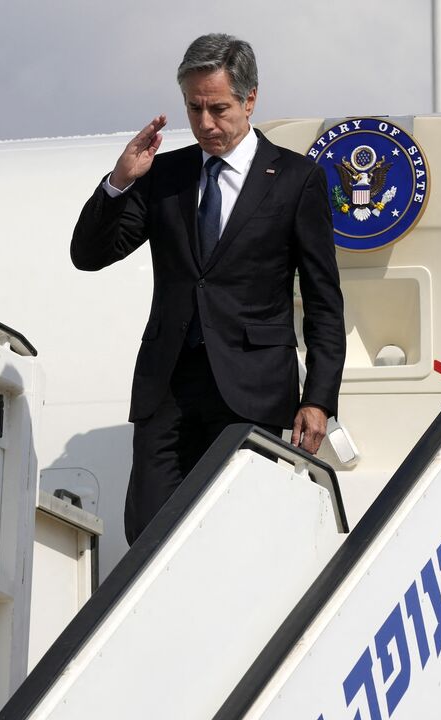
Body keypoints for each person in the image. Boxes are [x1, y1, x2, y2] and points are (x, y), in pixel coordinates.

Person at [71, 33, 345, 544]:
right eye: (193, 108)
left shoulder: (295, 179)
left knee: (239, 533)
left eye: (218, 108)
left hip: (253, 389)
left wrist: (320, 398)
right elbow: (89, 256)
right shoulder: (165, 174)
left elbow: (325, 303)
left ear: (250, 100)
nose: (204, 123)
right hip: (168, 385)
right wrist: (119, 181)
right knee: (148, 533)